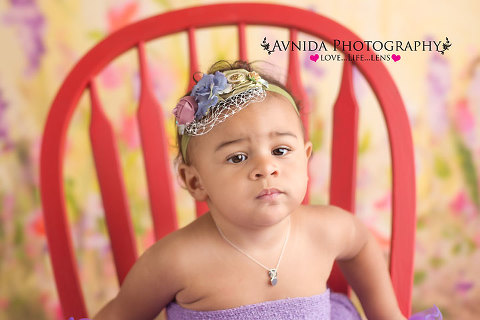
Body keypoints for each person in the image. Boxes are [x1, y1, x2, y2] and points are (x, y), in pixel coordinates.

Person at [92, 60, 442, 320]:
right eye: (238, 157)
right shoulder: (176, 260)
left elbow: (361, 244)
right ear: (195, 181)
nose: (266, 167)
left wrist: (385, 312)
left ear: (305, 158)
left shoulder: (325, 230)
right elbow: (120, 314)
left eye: (280, 151)